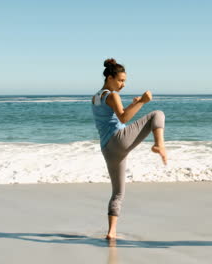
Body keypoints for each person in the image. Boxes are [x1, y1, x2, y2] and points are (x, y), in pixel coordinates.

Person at [91, 58, 167, 240]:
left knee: (117, 192)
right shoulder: (112, 95)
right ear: (110, 77)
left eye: (124, 81)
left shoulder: (95, 98)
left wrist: (135, 104)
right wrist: (143, 101)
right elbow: (124, 119)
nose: (123, 85)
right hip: (118, 140)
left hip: (107, 149)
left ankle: (111, 232)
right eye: (120, 80)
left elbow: (118, 116)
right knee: (157, 114)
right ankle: (159, 145)